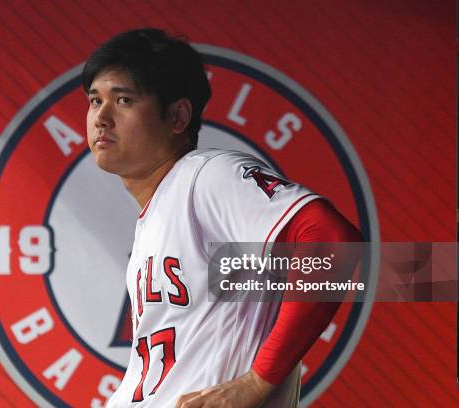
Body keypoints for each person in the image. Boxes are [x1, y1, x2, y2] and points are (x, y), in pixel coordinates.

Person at [83, 28, 361, 408]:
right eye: (95, 100)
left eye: (124, 100)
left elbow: (331, 242)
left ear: (178, 116)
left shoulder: (204, 175)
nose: (101, 117)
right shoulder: (161, 212)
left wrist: (258, 381)